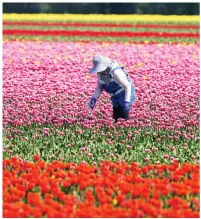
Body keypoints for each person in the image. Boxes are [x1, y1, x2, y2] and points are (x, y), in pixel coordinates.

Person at [88, 55, 136, 123]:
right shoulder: (101, 73)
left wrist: (126, 102)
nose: (99, 72)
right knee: (116, 115)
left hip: (124, 93)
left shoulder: (116, 72)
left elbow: (127, 86)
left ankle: (126, 127)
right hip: (115, 96)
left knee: (123, 116)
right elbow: (99, 87)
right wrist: (93, 99)